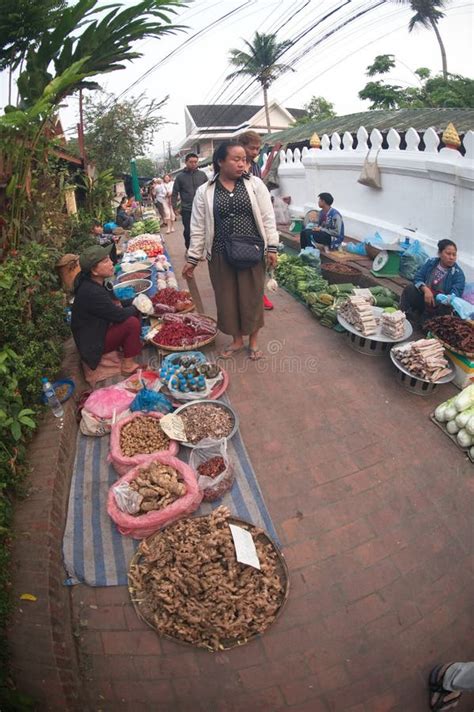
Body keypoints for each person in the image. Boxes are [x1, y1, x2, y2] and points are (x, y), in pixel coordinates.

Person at [182, 140, 279, 361]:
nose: (242, 164)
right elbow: (198, 226)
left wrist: (272, 247)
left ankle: (253, 342)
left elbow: (267, 217)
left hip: (252, 251)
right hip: (220, 253)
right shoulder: (205, 191)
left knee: (252, 297)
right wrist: (193, 258)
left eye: (244, 159)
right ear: (220, 161)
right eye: (236, 159)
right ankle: (236, 340)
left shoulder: (255, 185)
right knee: (227, 299)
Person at [71, 244, 143, 375]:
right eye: (105, 261)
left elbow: (115, 304)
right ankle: (127, 365)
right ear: (94, 271)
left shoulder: (95, 283)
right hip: (93, 343)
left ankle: (129, 346)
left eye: (109, 259)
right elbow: (118, 315)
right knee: (131, 323)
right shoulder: (91, 292)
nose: (111, 263)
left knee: (132, 308)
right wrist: (136, 306)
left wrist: (135, 301)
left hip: (98, 328)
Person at [239, 130, 274, 311]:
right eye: (252, 148)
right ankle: (251, 296)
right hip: (241, 222)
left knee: (258, 259)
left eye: (257, 149)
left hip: (257, 219)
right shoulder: (234, 167)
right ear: (242, 146)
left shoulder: (253, 166)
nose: (255, 152)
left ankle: (259, 294)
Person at [400, 239, 465, 324]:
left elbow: (456, 293)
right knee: (410, 288)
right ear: (440, 253)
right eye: (448, 254)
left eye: (454, 254)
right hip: (424, 297)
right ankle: (402, 315)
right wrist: (425, 289)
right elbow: (418, 277)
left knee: (428, 323)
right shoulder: (431, 263)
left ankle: (427, 321)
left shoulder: (458, 274)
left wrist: (443, 299)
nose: (451, 257)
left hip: (439, 306)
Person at [172, 153, 207, 251]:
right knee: (188, 231)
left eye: (195, 162)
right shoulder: (180, 177)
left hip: (201, 208)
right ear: (186, 162)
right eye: (191, 162)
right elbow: (175, 193)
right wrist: (174, 207)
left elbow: (209, 190)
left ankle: (199, 251)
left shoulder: (202, 175)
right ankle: (189, 250)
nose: (193, 164)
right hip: (187, 209)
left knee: (201, 231)